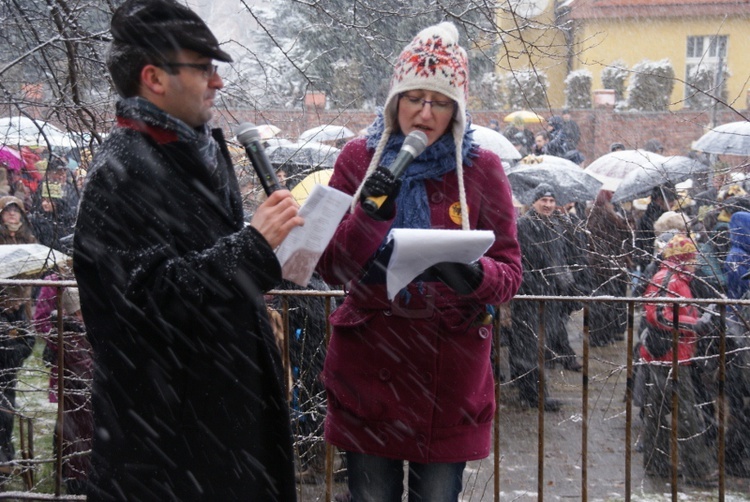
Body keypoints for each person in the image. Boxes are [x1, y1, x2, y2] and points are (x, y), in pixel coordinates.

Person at [72, 1, 304, 500]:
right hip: (170, 455)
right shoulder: (124, 170)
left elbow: (203, 276)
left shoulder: (190, 152)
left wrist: (278, 252)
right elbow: (144, 305)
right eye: (203, 68)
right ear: (154, 78)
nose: (217, 81)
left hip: (219, 437)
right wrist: (253, 246)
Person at [316, 22, 522, 500]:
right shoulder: (357, 159)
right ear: (395, 102)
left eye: (440, 101)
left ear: (457, 111)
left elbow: (510, 271)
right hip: (371, 369)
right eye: (414, 98)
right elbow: (333, 269)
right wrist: (369, 215)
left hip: (445, 378)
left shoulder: (481, 169)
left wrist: (475, 276)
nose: (424, 114)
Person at [638, 235, 718, 486]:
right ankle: (699, 471)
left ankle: (657, 464)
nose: (696, 263)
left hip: (672, 355)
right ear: (683, 259)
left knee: (659, 413)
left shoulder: (675, 278)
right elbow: (659, 316)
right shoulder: (667, 280)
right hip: (669, 356)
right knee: (686, 415)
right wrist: (696, 324)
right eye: (692, 258)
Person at [511, 185, 580, 409]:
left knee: (541, 346)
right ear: (534, 202)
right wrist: (531, 283)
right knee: (530, 346)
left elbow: (561, 259)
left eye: (551, 200)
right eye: (543, 200)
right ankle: (535, 395)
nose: (548, 204)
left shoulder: (557, 227)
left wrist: (566, 283)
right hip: (530, 295)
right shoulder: (522, 226)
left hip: (551, 295)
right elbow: (518, 260)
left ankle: (530, 391)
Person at [0, 285, 35, 486]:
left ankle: (4, 465)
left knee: (6, 423)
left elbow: (29, 340)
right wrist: (19, 346)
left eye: (20, 302)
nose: (17, 306)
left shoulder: (15, 314)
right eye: (14, 301)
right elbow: (7, 356)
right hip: (3, 380)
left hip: (7, 382)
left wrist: (19, 345)